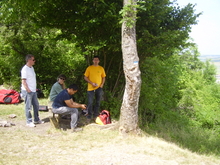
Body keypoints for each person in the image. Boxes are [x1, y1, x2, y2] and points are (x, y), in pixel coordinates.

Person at [21, 54, 44, 127]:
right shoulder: (25, 69)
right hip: (28, 91)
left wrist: (34, 89)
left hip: (33, 90)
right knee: (28, 107)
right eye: (33, 60)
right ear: (29, 60)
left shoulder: (32, 68)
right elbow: (23, 81)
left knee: (36, 105)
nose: (34, 61)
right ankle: (29, 121)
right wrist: (28, 90)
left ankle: (36, 119)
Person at [84, 56, 106, 122]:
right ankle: (89, 116)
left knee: (98, 102)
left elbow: (103, 77)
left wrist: (102, 84)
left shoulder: (101, 68)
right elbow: (85, 77)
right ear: (93, 61)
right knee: (90, 102)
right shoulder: (89, 68)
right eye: (94, 60)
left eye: (97, 60)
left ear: (99, 61)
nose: (96, 61)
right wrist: (91, 83)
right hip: (90, 88)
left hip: (99, 88)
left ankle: (95, 116)